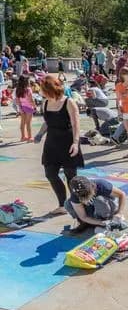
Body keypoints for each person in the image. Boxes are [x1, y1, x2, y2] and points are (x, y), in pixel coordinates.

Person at [34, 75, 84, 216]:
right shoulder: (45, 103)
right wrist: (39, 134)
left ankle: (76, 204)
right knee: (50, 173)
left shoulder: (69, 102)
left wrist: (75, 143)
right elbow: (47, 122)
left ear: (50, 89)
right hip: (52, 142)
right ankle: (62, 205)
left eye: (43, 89)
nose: (40, 92)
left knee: (71, 176)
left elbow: (75, 124)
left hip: (68, 141)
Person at [15, 75, 36, 141]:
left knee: (22, 123)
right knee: (28, 123)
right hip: (29, 107)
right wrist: (35, 106)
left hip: (22, 107)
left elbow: (17, 100)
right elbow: (31, 100)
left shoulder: (17, 89)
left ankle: (23, 137)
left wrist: (20, 108)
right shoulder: (28, 89)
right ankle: (30, 137)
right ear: (26, 82)